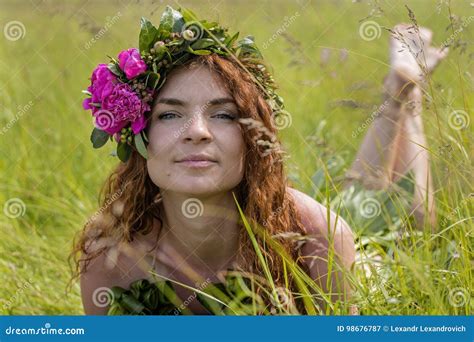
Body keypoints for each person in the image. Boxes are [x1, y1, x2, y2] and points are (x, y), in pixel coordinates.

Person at [71, 7, 447, 314]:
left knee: (406, 218)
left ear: (253, 137)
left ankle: (404, 95)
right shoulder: (110, 251)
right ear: (139, 138)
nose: (197, 131)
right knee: (353, 194)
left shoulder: (318, 237)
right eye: (169, 115)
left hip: (352, 255)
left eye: (224, 114)